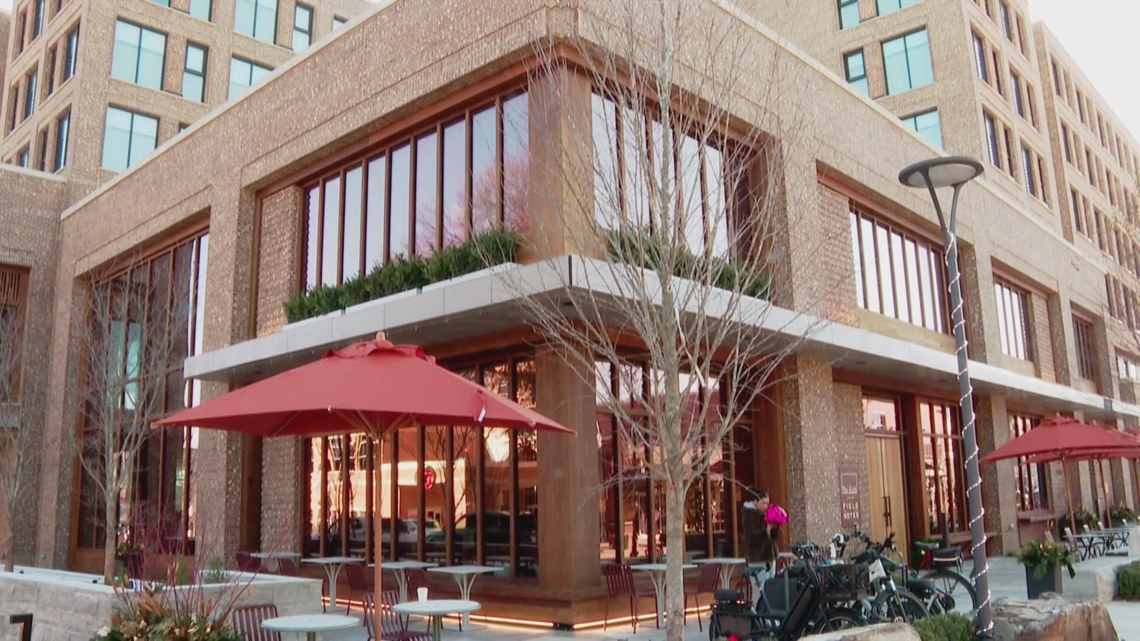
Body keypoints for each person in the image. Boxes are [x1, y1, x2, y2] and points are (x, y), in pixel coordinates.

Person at [741, 487, 781, 610]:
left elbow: (776, 536)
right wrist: (766, 530)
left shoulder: (767, 513)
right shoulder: (749, 515)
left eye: (767, 503)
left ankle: (768, 614)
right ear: (755, 502)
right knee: (759, 589)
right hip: (757, 558)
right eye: (763, 503)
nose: (766, 506)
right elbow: (751, 536)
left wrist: (776, 526)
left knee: (771, 588)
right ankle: (757, 614)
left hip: (770, 557)